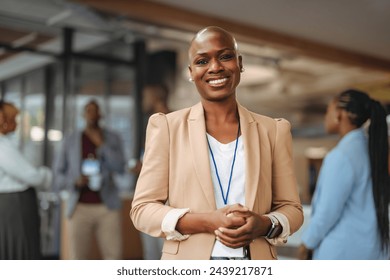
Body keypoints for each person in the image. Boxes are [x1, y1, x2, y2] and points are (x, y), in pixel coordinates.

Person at [130, 26, 303, 260]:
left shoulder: (273, 130)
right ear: (191, 72)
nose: (215, 67)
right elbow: (142, 210)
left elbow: (292, 209)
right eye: (202, 61)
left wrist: (264, 224)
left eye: (225, 56)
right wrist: (205, 221)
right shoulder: (167, 128)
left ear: (239, 63)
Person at [298, 89, 389, 260]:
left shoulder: (342, 156)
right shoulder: (371, 152)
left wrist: (307, 244)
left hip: (343, 253)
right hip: (372, 251)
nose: (325, 116)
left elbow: (327, 212)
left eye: (328, 110)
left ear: (340, 115)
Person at [53, 99, 126, 259]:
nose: (92, 115)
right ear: (83, 115)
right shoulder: (71, 140)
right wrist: (74, 181)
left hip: (107, 207)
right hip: (79, 207)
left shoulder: (112, 138)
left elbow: (120, 167)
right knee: (77, 258)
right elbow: (57, 175)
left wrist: (102, 145)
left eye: (95, 111)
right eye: (89, 111)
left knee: (114, 256)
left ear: (101, 114)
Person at [0, 100, 52, 259]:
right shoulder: (3, 146)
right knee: (20, 248)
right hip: (15, 203)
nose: (15, 123)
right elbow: (31, 176)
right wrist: (46, 174)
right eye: (13, 118)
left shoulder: (6, 143)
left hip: (12, 203)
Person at [130, 83, 171, 260]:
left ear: (156, 97)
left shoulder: (172, 121)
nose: (142, 101)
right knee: (151, 253)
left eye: (145, 96)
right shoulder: (153, 123)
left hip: (169, 200)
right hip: (150, 198)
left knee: (166, 252)